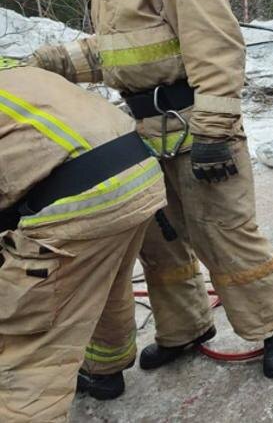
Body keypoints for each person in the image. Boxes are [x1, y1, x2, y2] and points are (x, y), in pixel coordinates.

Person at [30, 0, 273, 397]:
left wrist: (216, 130)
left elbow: (214, 39)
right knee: (161, 240)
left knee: (222, 231)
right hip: (146, 127)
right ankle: (186, 328)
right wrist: (56, 61)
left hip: (197, 123)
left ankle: (272, 326)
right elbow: (130, 49)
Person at [0, 62, 167, 421]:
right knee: (104, 283)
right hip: (138, 174)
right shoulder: (14, 68)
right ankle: (104, 370)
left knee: (30, 342)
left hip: (79, 198)